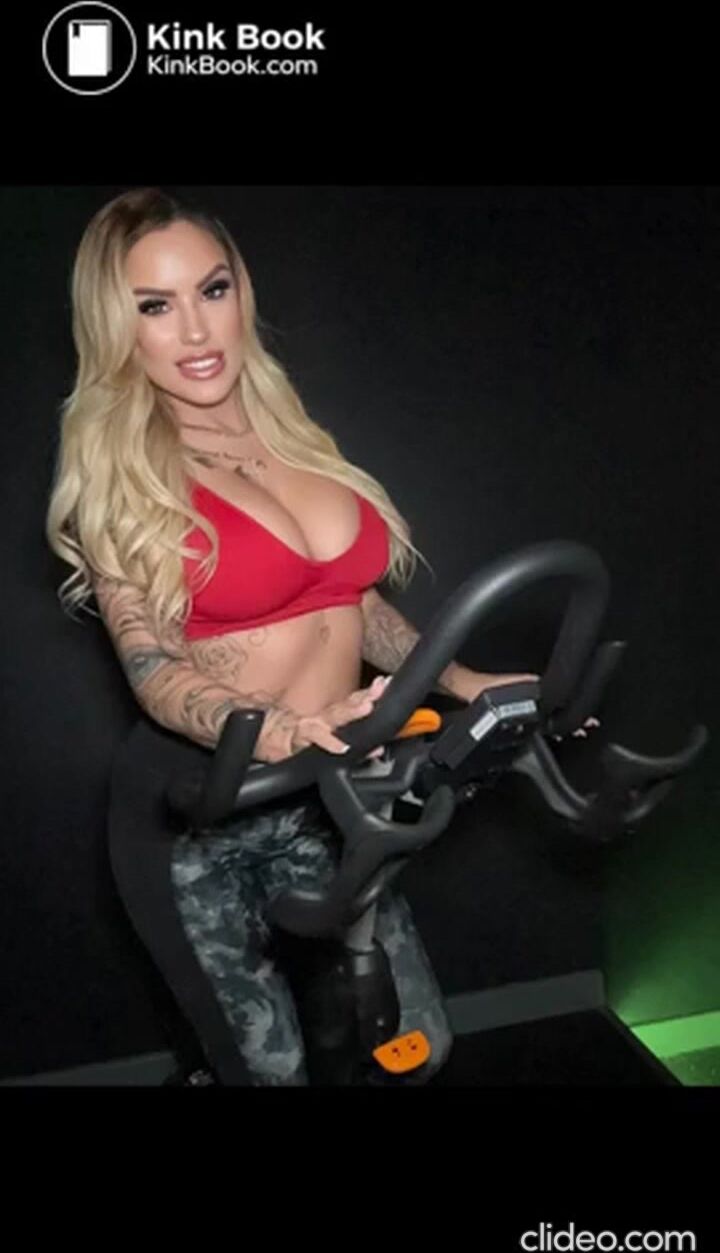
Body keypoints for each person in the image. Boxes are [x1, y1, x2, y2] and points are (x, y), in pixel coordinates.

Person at [45, 187, 583, 1085]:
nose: (196, 330)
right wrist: (276, 727)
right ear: (115, 325)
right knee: (270, 1072)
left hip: (324, 789)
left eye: (212, 289)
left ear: (241, 291)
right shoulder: (120, 468)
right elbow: (152, 665)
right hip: (199, 814)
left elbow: (350, 604)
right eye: (154, 306)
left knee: (413, 1045)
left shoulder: (288, 430)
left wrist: (462, 681)